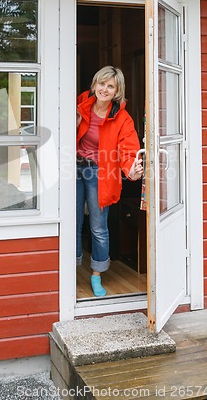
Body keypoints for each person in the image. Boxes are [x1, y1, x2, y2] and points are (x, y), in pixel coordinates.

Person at [76, 66, 144, 297]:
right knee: (72, 224)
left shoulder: (122, 118)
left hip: (100, 173)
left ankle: (97, 275)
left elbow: (129, 149)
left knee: (97, 227)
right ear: (94, 84)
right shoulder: (81, 105)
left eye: (110, 86)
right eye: (101, 84)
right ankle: (71, 271)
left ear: (117, 91)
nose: (104, 89)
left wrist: (131, 168)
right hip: (74, 168)